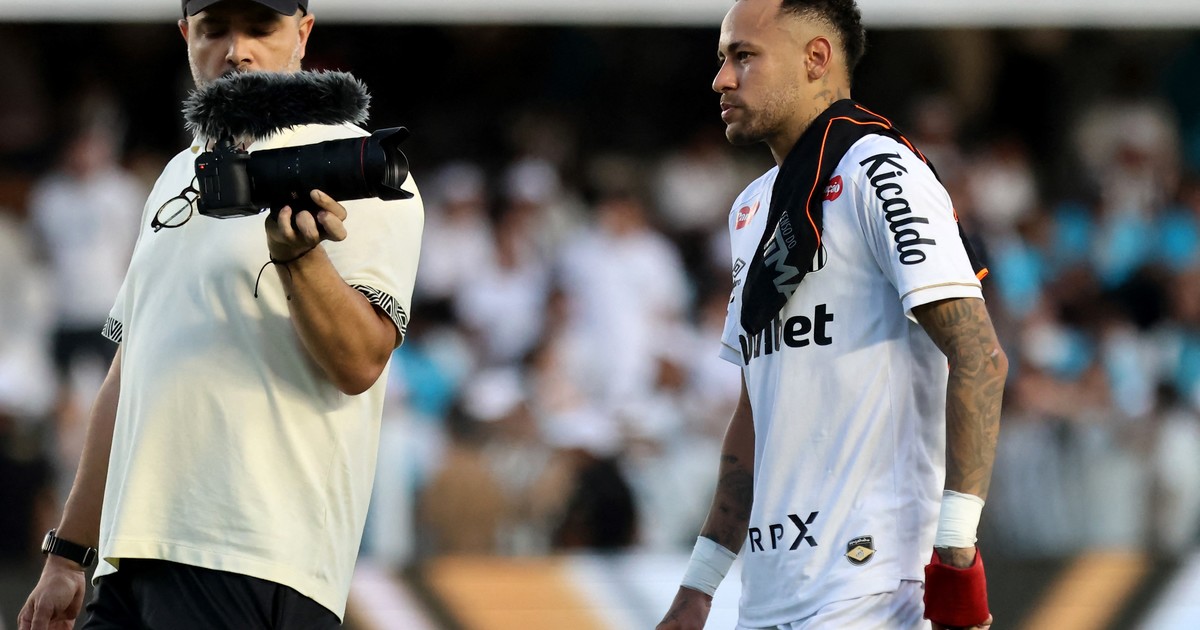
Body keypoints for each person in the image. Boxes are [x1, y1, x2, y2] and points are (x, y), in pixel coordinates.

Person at [17, 1, 424, 628]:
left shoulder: (357, 165)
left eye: (260, 28)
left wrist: (301, 260)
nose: (237, 51)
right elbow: (128, 372)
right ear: (186, 35)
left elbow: (360, 362)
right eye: (214, 30)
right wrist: (69, 554)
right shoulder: (178, 172)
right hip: (129, 559)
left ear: (303, 33)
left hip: (255, 555)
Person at [657, 1, 1006, 629]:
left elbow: (979, 356)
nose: (721, 79)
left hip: (875, 586)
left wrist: (957, 551)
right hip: (769, 594)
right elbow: (755, 411)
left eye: (743, 56)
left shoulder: (881, 170)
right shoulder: (750, 208)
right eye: (722, 59)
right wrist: (699, 587)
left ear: (816, 57)